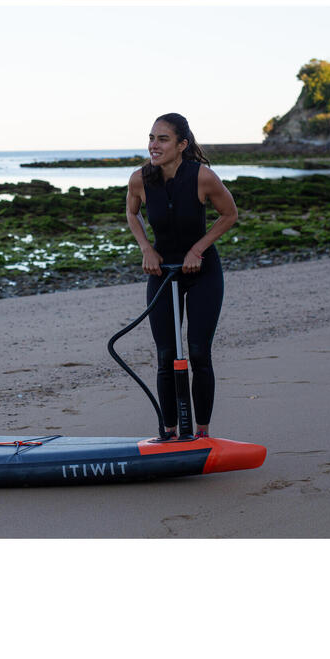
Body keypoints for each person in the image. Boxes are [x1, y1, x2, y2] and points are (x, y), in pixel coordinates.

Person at [126, 113, 238, 440]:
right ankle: (169, 432)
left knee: (198, 352)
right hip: (162, 272)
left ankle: (202, 433)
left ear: (182, 144)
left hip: (202, 271)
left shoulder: (203, 177)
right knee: (166, 356)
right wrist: (146, 248)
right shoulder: (139, 179)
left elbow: (229, 214)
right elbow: (131, 212)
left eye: (162, 139)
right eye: (151, 138)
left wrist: (198, 249)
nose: (153, 145)